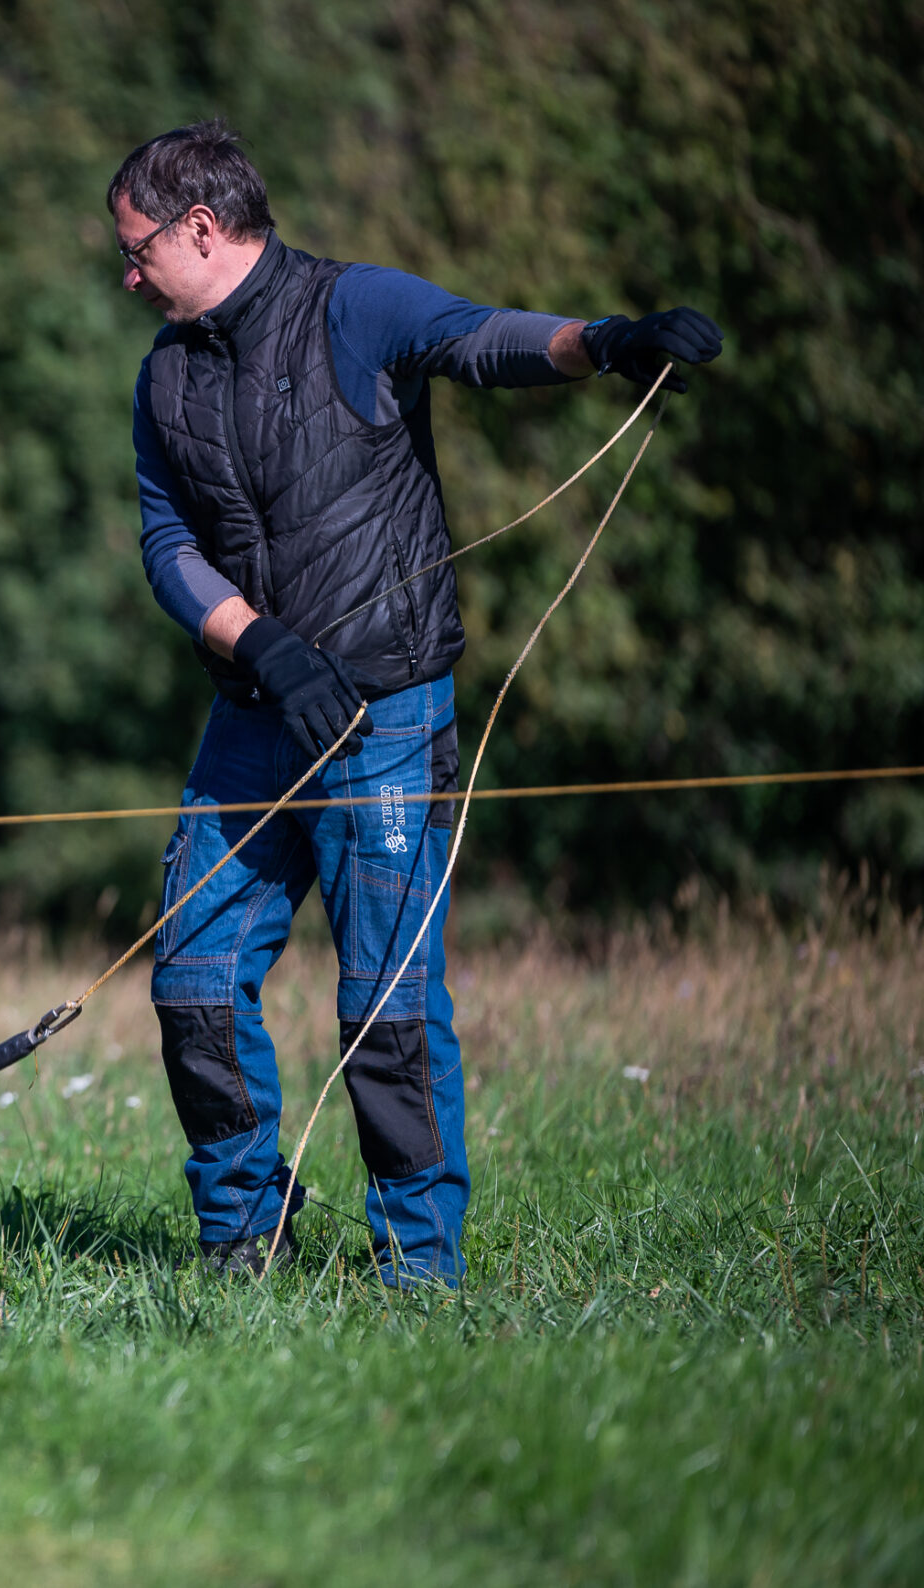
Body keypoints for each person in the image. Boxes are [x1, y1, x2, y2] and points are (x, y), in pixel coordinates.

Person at [112, 120, 721, 1286]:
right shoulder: (164, 375)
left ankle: (416, 1267)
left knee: (384, 1005)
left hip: (387, 714)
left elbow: (482, 341)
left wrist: (605, 342)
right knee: (192, 980)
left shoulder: (352, 306)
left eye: (136, 250)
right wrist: (259, 643)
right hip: (252, 715)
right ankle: (241, 1237)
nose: (127, 276)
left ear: (200, 227)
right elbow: (165, 540)